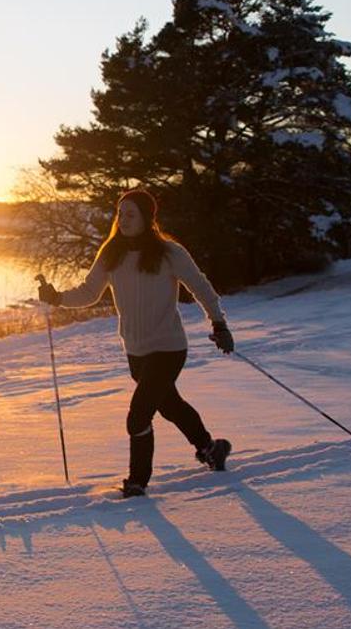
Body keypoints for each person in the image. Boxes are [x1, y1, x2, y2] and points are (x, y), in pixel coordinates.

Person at [37, 188, 235, 498]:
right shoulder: (111, 253)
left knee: (138, 415)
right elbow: (89, 292)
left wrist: (219, 323)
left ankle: (137, 482)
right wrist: (57, 297)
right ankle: (211, 449)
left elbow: (201, 286)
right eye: (120, 213)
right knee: (170, 406)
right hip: (136, 351)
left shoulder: (169, 253)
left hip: (168, 347)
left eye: (131, 214)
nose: (123, 219)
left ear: (147, 218)